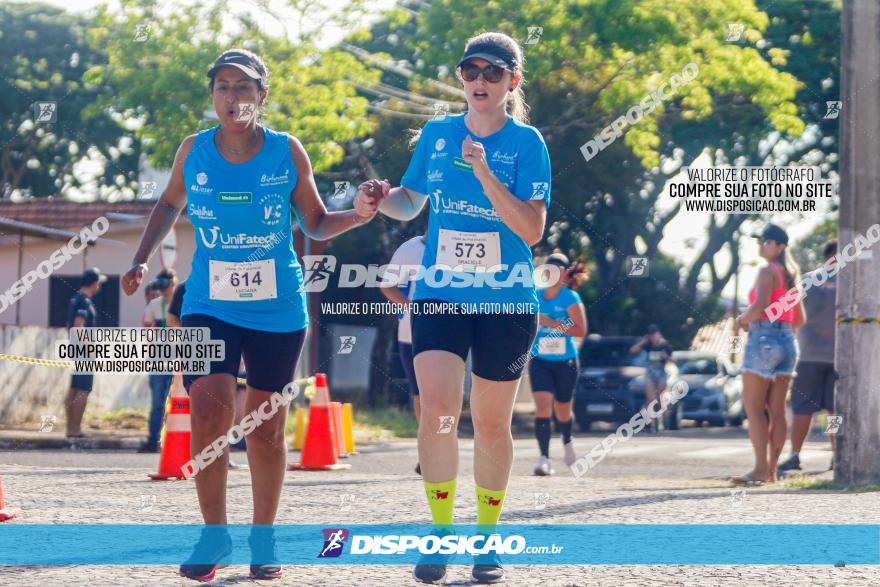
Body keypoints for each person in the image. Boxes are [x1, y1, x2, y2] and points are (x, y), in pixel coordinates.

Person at [120, 48, 379, 582]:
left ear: (262, 96)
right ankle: (214, 536)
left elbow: (316, 221)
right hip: (208, 304)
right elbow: (169, 204)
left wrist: (358, 214)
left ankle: (265, 538)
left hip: (277, 309)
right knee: (209, 414)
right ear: (212, 95)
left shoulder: (287, 151)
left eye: (243, 87)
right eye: (222, 86)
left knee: (263, 429)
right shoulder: (193, 150)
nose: (232, 96)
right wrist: (141, 257)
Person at [371, 32, 552, 584]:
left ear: (512, 83)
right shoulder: (437, 133)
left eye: (492, 73)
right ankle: (440, 533)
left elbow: (531, 228)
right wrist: (381, 199)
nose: (479, 81)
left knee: (492, 424)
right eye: (470, 71)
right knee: (439, 412)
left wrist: (484, 173)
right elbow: (411, 201)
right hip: (440, 296)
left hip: (506, 301)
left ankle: (487, 541)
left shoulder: (527, 144)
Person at [733, 224, 806, 485]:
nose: (761, 245)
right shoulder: (791, 276)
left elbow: (760, 305)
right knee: (777, 410)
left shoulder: (767, 271)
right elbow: (800, 319)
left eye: (767, 241)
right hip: (788, 340)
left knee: (753, 409)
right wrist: (778, 328)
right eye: (761, 241)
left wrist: (742, 319)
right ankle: (772, 471)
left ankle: (760, 469)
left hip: (763, 339)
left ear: (780, 246)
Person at [778, 239, 837, 474]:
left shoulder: (809, 280)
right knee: (828, 410)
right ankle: (832, 455)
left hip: (812, 356)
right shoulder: (854, 282)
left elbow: (789, 312)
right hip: (830, 357)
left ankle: (798, 455)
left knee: (813, 409)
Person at [529, 253, 587, 475]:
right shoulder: (535, 296)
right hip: (540, 360)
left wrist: (552, 324)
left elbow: (580, 330)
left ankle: (568, 443)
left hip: (565, 361)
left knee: (563, 408)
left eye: (556, 270)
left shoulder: (570, 298)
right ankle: (544, 458)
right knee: (543, 406)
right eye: (547, 269)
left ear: (563, 273)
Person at [380, 234, 427, 475]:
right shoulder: (410, 249)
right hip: (411, 334)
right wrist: (410, 306)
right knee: (420, 395)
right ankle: (427, 452)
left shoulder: (459, 246)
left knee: (443, 395)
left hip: (452, 333)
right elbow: (387, 284)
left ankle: (440, 447)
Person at [138, 269, 178, 453]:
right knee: (157, 402)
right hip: (158, 358)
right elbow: (146, 325)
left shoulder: (182, 302)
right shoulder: (155, 305)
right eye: (160, 287)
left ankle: (179, 439)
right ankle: (153, 439)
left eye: (165, 287)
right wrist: (151, 343)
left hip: (180, 358)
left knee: (181, 402)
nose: (162, 291)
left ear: (173, 285)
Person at [65, 267, 107, 438]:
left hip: (76, 351)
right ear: (95, 283)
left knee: (74, 389)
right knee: (82, 390)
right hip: (84, 353)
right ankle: (75, 430)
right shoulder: (84, 302)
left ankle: (70, 429)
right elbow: (78, 326)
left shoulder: (75, 298)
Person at [629, 324, 673, 433]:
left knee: (659, 397)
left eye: (655, 335)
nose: (653, 338)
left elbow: (673, 360)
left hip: (661, 373)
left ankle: (664, 418)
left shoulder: (665, 345)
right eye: (651, 335)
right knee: (650, 399)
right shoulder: (647, 344)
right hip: (650, 373)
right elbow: (632, 351)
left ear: (659, 334)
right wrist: (642, 342)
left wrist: (666, 357)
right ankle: (652, 425)